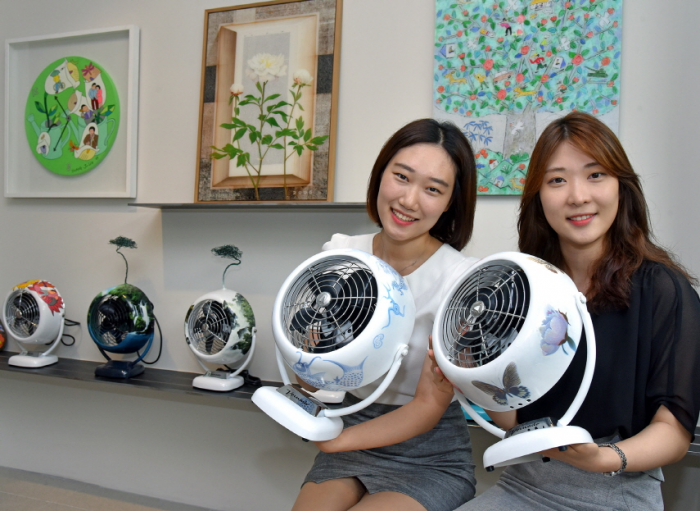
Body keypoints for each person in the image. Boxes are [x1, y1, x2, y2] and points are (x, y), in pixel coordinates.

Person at [452, 111, 700, 510]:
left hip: (617, 490)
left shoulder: (663, 290)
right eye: (557, 180)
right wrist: (472, 372)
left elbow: (674, 433)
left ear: (621, 187)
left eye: (595, 174)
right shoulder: (521, 290)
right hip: (523, 483)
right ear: (538, 196)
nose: (578, 196)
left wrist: (604, 459)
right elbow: (514, 419)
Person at [292, 118, 480, 511]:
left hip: (429, 452)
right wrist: (308, 360)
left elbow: (427, 406)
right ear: (381, 175)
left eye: (432, 189)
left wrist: (335, 439)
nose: (409, 200)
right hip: (350, 427)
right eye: (401, 177)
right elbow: (309, 376)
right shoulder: (341, 254)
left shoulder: (460, 282)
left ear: (450, 202)